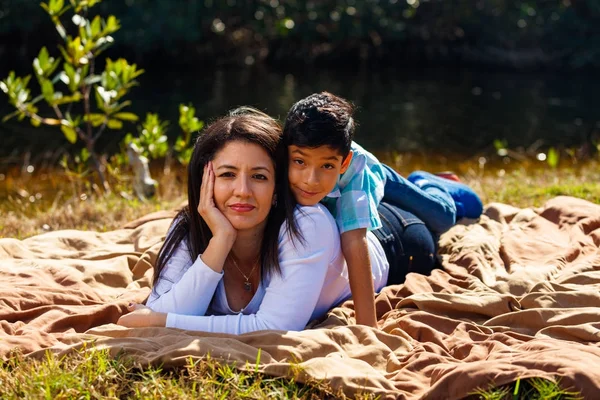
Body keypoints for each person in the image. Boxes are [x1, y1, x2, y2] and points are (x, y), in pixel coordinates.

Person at [117, 107, 439, 334]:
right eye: (228, 174)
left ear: (276, 187)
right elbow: (162, 306)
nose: (242, 192)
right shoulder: (192, 225)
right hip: (340, 216)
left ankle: (429, 183)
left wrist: (163, 322)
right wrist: (220, 242)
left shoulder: (305, 225)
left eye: (258, 176)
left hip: (396, 240)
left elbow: (273, 327)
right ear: (206, 180)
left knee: (439, 209)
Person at [282, 92, 483, 327]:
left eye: (326, 165)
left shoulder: (355, 167)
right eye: (299, 162)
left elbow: (355, 240)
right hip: (340, 182)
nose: (310, 180)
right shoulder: (280, 154)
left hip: (378, 177)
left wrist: (368, 327)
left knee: (444, 218)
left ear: (342, 163)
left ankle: (429, 183)